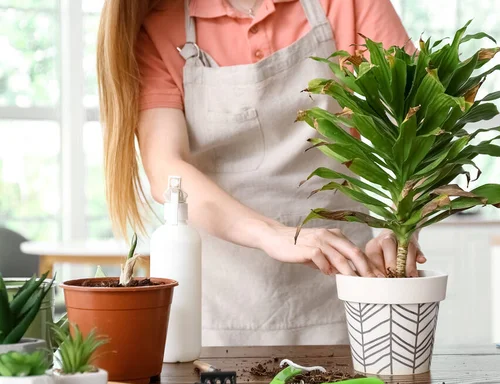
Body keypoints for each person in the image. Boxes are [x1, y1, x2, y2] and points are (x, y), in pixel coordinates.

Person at [97, 0, 426, 346]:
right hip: (220, 318)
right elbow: (167, 169)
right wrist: (275, 235)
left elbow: (422, 121)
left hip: (345, 302)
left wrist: (401, 228)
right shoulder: (159, 26)